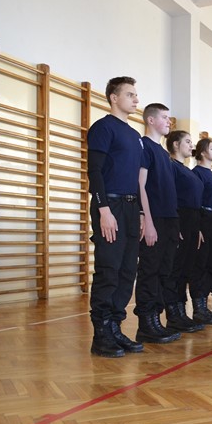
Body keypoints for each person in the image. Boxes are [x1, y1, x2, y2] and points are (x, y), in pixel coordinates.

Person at [86, 76, 144, 358]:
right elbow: (94, 171)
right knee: (109, 270)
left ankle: (114, 327)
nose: (136, 99)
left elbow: (136, 179)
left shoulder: (134, 136)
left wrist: (141, 212)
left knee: (127, 271)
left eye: (136, 95)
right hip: (110, 206)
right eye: (130, 94)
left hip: (131, 208)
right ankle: (101, 335)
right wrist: (103, 209)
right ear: (113, 97)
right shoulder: (103, 128)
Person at [133, 103, 182, 345]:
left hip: (170, 220)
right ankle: (146, 323)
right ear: (150, 120)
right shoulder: (145, 147)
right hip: (155, 219)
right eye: (164, 117)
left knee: (164, 271)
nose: (168, 121)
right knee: (150, 270)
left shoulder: (164, 154)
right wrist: (148, 221)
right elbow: (141, 185)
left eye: (169, 117)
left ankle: (156, 320)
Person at [164, 131, 206, 333]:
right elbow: (170, 196)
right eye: (187, 142)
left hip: (193, 220)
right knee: (176, 268)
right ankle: (173, 314)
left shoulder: (186, 170)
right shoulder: (171, 167)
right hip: (180, 218)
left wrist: (198, 228)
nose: (192, 145)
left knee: (186, 269)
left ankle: (181, 312)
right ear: (175, 145)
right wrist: (176, 225)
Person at [190, 138, 212, 325]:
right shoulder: (197, 173)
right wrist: (198, 228)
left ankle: (205, 304)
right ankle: (198, 307)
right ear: (203, 152)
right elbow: (196, 202)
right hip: (204, 218)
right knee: (201, 264)